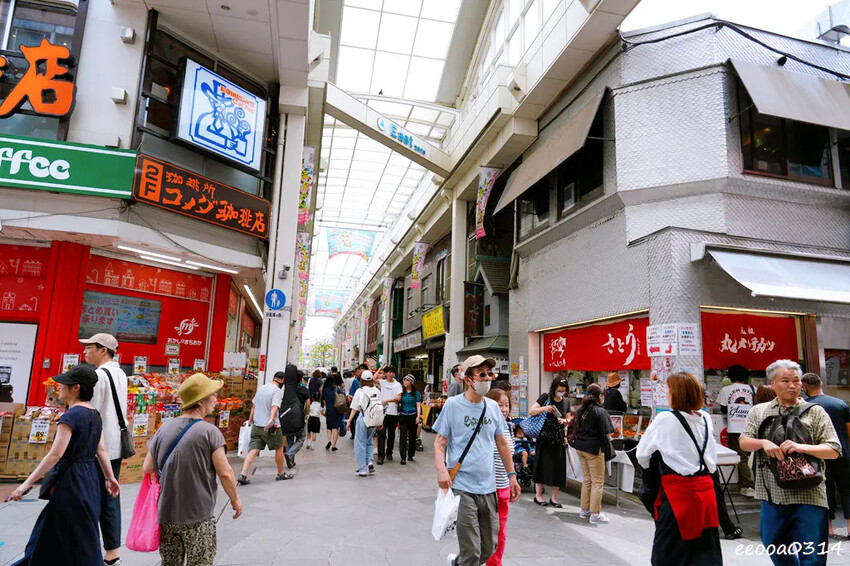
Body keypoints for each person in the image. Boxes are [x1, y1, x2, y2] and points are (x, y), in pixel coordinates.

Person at [8, 365, 120, 566]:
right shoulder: (96, 415)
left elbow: (55, 454)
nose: (59, 387)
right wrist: (110, 477)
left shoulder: (70, 416)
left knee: (71, 533)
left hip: (70, 480)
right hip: (89, 479)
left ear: (75, 387)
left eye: (63, 384)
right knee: (68, 528)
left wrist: (25, 485)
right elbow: (101, 450)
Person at [740, 360, 841, 566]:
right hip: (772, 494)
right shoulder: (758, 411)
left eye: (796, 380)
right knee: (773, 545)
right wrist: (763, 443)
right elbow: (744, 442)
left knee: (812, 555)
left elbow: (834, 450)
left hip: (810, 494)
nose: (792, 385)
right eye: (785, 380)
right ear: (773, 383)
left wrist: (802, 447)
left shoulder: (816, 411)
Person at [143, 373, 242, 566]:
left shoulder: (164, 428)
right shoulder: (210, 432)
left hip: (167, 514)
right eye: (213, 394)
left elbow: (147, 467)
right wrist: (235, 499)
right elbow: (225, 472)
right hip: (198, 516)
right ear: (200, 401)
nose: (216, 399)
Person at [433, 355, 520, 566]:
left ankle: (459, 563)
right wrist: (442, 470)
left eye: (490, 374)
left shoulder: (492, 407)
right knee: (472, 549)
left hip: (488, 487)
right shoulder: (453, 405)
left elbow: (501, 443)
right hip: (462, 487)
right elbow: (439, 443)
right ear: (468, 379)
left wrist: (512, 475)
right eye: (482, 374)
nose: (487, 378)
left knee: (490, 547)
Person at [637, 372, 721, 566]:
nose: (667, 393)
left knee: (668, 552)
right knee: (705, 550)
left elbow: (642, 454)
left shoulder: (665, 418)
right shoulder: (705, 418)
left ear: (677, 393)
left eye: (669, 390)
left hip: (678, 494)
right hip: (706, 490)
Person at [80, 332, 127, 566]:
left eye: (89, 347)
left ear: (103, 350)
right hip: (116, 444)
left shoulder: (98, 375)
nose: (85, 351)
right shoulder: (121, 373)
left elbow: (92, 412)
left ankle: (102, 551)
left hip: (100, 447)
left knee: (94, 497)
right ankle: (112, 551)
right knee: (111, 496)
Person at [802, 372, 850, 539]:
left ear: (804, 387)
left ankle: (829, 529)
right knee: (847, 490)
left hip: (819, 454)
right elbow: (848, 431)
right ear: (821, 383)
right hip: (843, 452)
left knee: (825, 489)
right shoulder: (840, 404)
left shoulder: (805, 406)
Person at [238, 371, 291, 484]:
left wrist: (250, 420)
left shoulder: (262, 388)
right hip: (271, 428)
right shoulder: (276, 391)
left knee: (253, 450)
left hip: (257, 426)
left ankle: (243, 474)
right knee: (279, 449)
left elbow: (254, 406)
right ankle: (281, 473)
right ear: (282, 381)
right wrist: (271, 420)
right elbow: (274, 407)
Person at [574, 383, 615, 524]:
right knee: (597, 482)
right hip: (594, 449)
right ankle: (595, 514)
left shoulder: (581, 409)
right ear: (600, 396)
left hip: (580, 447)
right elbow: (609, 431)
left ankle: (584, 510)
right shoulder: (600, 411)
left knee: (587, 480)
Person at [485, 388, 515, 566]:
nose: (504, 409)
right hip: (486, 488)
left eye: (507, 405)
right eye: (499, 405)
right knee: (484, 532)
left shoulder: (508, 427)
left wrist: (512, 479)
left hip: (503, 486)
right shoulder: (486, 428)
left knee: (501, 530)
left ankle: (495, 563)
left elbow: (509, 457)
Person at [716, 364, 756, 497]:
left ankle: (747, 486)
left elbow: (723, 409)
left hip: (735, 428)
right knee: (752, 456)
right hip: (751, 427)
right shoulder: (753, 389)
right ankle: (754, 484)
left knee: (742, 457)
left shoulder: (726, 390)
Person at [529, 378, 569, 507]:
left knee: (558, 467)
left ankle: (554, 498)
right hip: (544, 436)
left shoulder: (566, 401)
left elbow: (569, 418)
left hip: (559, 437)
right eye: (559, 390)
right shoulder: (545, 397)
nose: (561, 393)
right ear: (554, 388)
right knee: (542, 465)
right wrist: (545, 408)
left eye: (563, 391)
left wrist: (565, 421)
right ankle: (538, 496)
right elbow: (531, 411)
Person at [347, 370, 380, 476]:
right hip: (374, 419)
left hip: (363, 418)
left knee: (360, 443)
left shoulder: (359, 391)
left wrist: (349, 421)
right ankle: (370, 462)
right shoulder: (377, 390)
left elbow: (354, 408)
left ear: (362, 380)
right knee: (369, 441)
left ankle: (362, 469)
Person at [280, 364, 310, 469]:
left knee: (289, 438)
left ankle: (291, 461)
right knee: (301, 437)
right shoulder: (303, 389)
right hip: (299, 417)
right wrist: (307, 414)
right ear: (301, 379)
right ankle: (290, 453)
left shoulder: (287, 389)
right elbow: (308, 404)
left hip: (287, 416)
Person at [377, 365, 402, 465]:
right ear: (385, 373)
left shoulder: (397, 385)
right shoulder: (383, 383)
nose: (391, 374)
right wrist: (380, 368)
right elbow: (374, 378)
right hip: (382, 413)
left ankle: (389, 452)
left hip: (393, 412)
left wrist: (387, 400)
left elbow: (398, 398)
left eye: (392, 372)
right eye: (389, 372)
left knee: (391, 433)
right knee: (381, 433)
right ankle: (380, 456)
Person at [398, 374, 422, 465]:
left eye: (407, 380)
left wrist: (418, 416)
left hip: (413, 415)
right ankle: (403, 457)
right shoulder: (402, 392)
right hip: (403, 416)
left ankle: (410, 454)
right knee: (403, 437)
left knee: (412, 436)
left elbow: (418, 405)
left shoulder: (416, 393)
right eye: (404, 380)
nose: (405, 382)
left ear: (411, 382)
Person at [321, 372, 344, 451]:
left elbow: (324, 402)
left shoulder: (325, 390)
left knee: (329, 427)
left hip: (329, 410)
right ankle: (334, 445)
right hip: (336, 410)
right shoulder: (337, 388)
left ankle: (329, 440)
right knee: (335, 428)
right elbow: (342, 398)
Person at [347, 363, 368, 440]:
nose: (360, 372)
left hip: (367, 405)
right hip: (357, 403)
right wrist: (350, 397)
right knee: (354, 419)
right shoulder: (356, 381)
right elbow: (352, 392)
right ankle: (354, 433)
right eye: (359, 371)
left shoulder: (370, 380)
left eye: (362, 370)